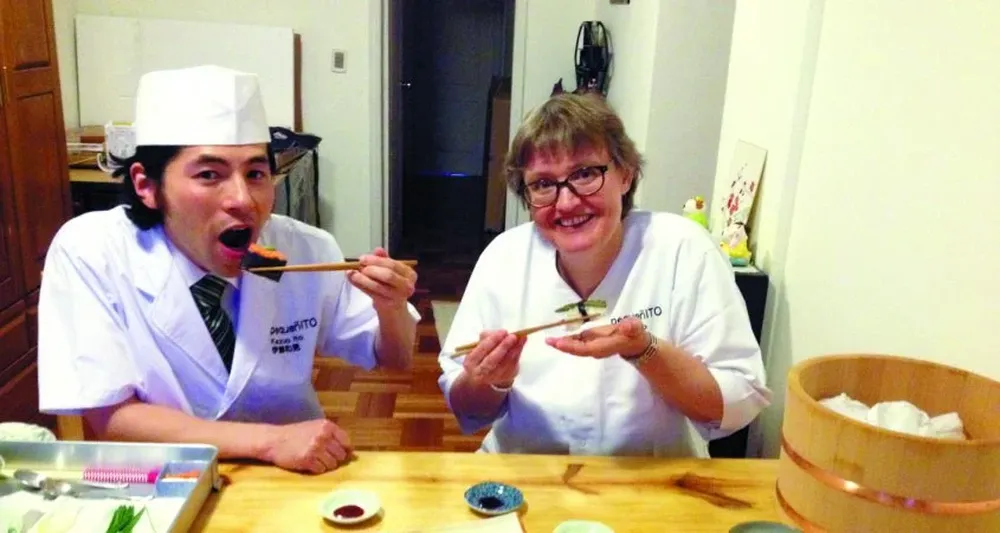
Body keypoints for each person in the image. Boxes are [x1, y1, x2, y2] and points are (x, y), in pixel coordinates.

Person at [37, 65, 420, 474]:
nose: (242, 199)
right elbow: (111, 418)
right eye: (209, 175)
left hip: (290, 476)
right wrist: (270, 441)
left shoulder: (300, 249)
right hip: (165, 480)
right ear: (147, 185)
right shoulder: (93, 251)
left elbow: (392, 358)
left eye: (256, 173)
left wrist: (391, 307)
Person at [437, 93, 771, 457]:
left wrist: (646, 351)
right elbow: (467, 411)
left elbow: (738, 404)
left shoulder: (683, 249)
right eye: (544, 184)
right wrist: (492, 381)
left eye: (585, 174)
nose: (566, 203)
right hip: (525, 480)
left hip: (652, 484)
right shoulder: (505, 257)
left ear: (625, 174)